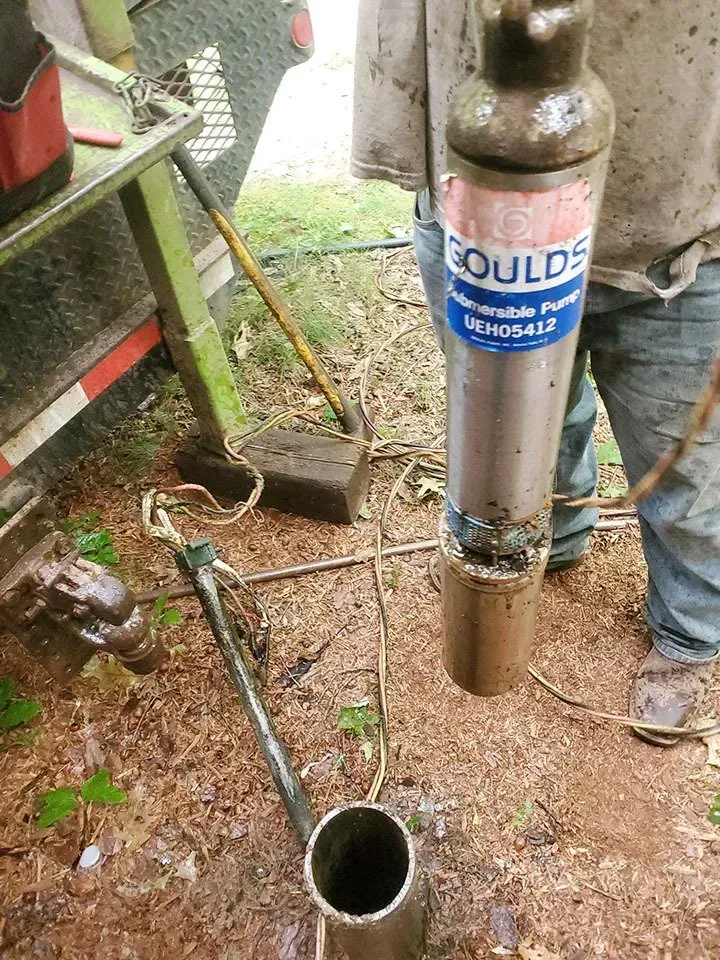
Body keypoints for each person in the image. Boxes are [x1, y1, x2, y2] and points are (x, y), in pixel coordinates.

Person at [351, 0, 720, 745]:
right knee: (515, 435)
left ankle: (690, 636)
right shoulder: (482, 110)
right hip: (473, 214)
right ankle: (557, 541)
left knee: (685, 468)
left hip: (678, 236)